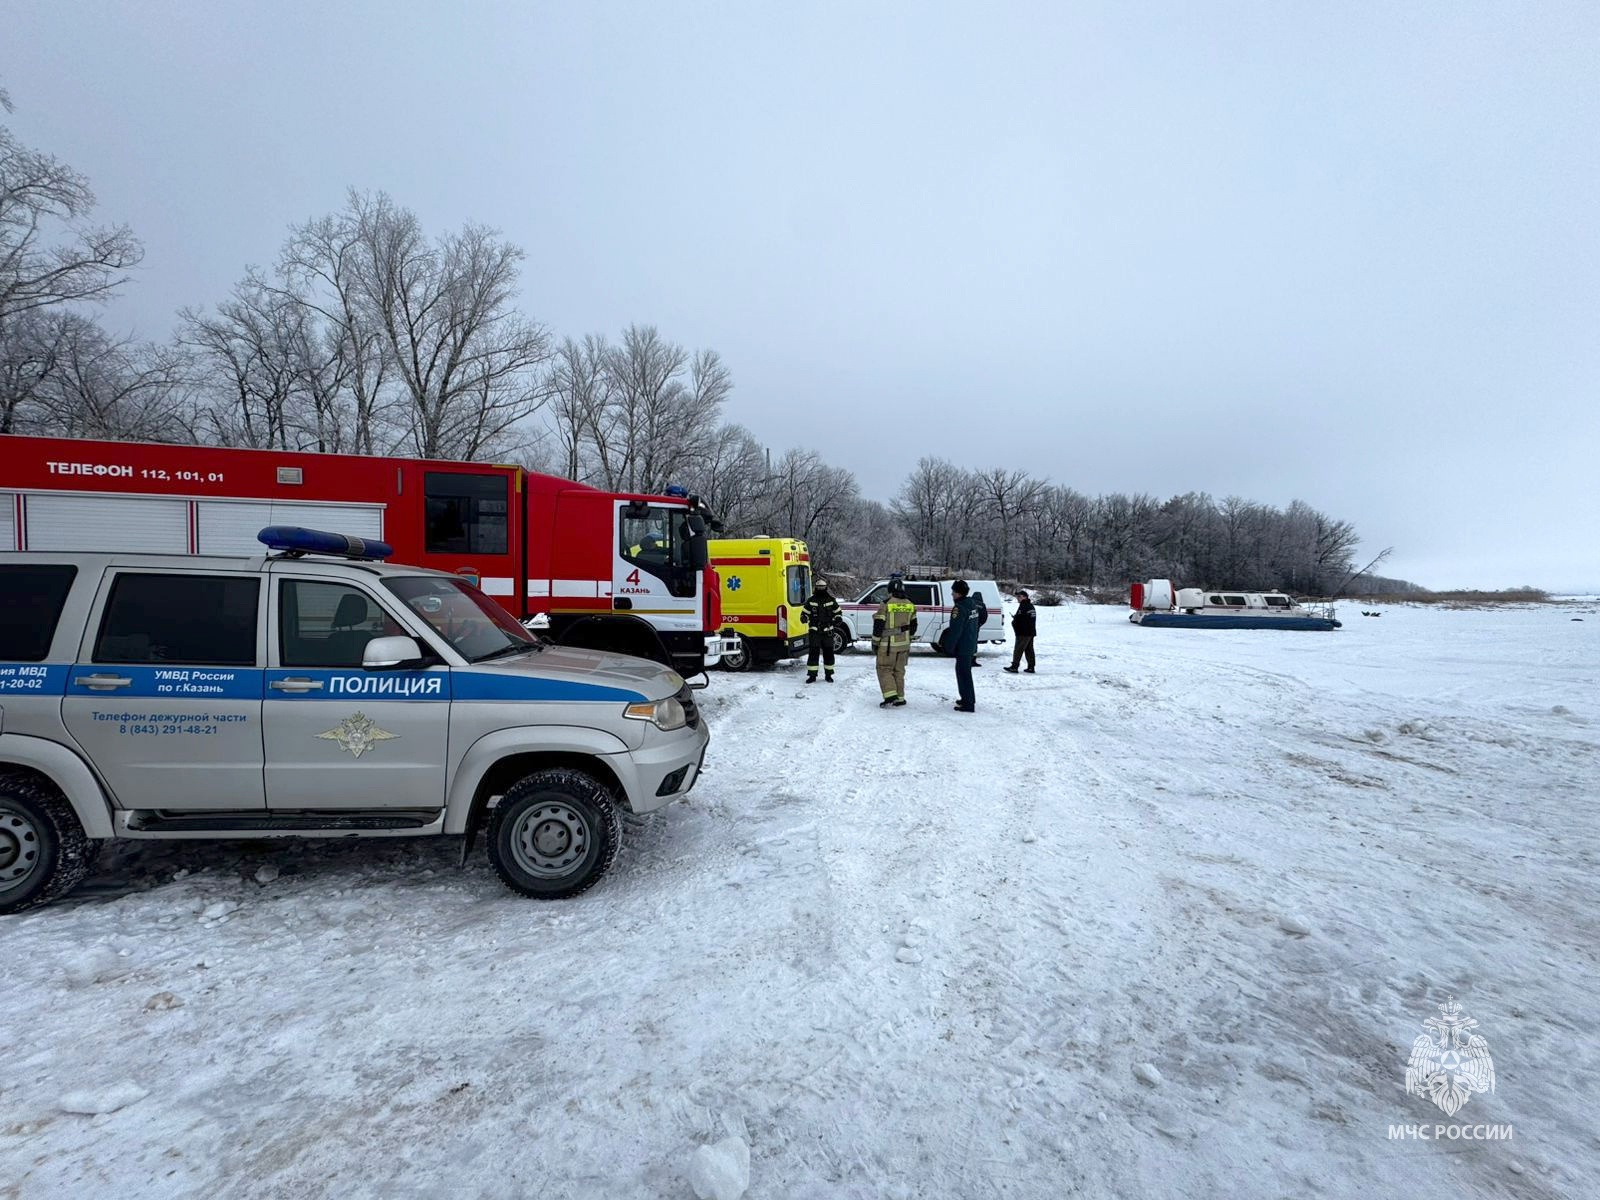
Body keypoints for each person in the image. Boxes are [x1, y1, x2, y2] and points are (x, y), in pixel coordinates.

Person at [872, 573, 918, 707]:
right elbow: (914, 627)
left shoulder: (885, 604)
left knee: (884, 668)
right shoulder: (910, 604)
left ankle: (890, 696)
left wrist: (875, 643)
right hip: (904, 645)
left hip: (888, 646)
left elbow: (878, 626)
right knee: (899, 671)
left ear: (890, 590)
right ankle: (900, 698)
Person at [947, 579, 982, 712]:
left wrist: (949, 647)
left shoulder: (959, 608)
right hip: (970, 643)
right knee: (964, 673)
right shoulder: (971, 603)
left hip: (963, 646)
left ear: (959, 593)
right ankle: (966, 698)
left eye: (953, 592)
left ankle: (968, 703)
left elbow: (956, 630)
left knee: (963, 674)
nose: (952, 594)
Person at [802, 577, 841, 683]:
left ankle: (829, 675)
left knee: (828, 653)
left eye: (822, 587)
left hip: (828, 631)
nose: (820, 589)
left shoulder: (831, 600)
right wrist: (804, 617)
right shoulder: (811, 601)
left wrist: (838, 618)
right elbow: (804, 613)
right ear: (816, 588)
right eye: (819, 587)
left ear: (826, 588)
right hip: (815, 631)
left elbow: (838, 612)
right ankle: (812, 676)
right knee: (813, 654)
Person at [1004, 589, 1037, 673]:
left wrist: (1015, 621)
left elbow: (1021, 619)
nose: (1018, 598)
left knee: (1018, 649)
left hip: (1023, 633)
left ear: (1025, 597)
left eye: (1019, 596)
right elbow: (1025, 618)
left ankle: (1014, 667)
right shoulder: (1030, 606)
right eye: (1017, 596)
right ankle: (1031, 667)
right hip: (1030, 632)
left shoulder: (1024, 606)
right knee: (1029, 650)